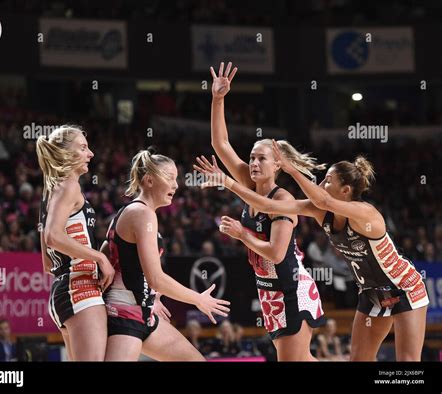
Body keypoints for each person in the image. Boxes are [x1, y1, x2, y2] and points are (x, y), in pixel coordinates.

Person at [197, 139, 429, 361]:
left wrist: (292, 170)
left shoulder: (365, 213)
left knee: (407, 361)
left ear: (345, 190)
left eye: (327, 181)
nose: (320, 185)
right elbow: (267, 205)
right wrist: (227, 182)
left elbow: (325, 201)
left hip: (405, 287)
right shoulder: (319, 212)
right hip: (371, 293)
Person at [198, 62, 326, 361]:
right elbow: (221, 143)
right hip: (268, 289)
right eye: (252, 158)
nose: (253, 163)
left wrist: (242, 234)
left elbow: (277, 254)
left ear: (277, 165)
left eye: (261, 159)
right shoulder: (248, 182)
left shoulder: (282, 199)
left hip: (290, 286)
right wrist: (218, 100)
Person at [101, 149, 230, 361]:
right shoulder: (142, 213)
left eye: (177, 178)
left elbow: (112, 257)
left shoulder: (136, 212)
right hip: (124, 315)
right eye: (170, 178)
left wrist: (151, 295)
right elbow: (156, 278)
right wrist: (198, 299)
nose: (176, 185)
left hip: (143, 312)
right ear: (149, 180)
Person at [36, 125, 115, 361]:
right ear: (65, 154)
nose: (90, 153)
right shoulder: (68, 186)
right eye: (83, 148)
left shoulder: (49, 193)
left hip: (63, 292)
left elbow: (47, 263)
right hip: (81, 290)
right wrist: (100, 257)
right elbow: (53, 237)